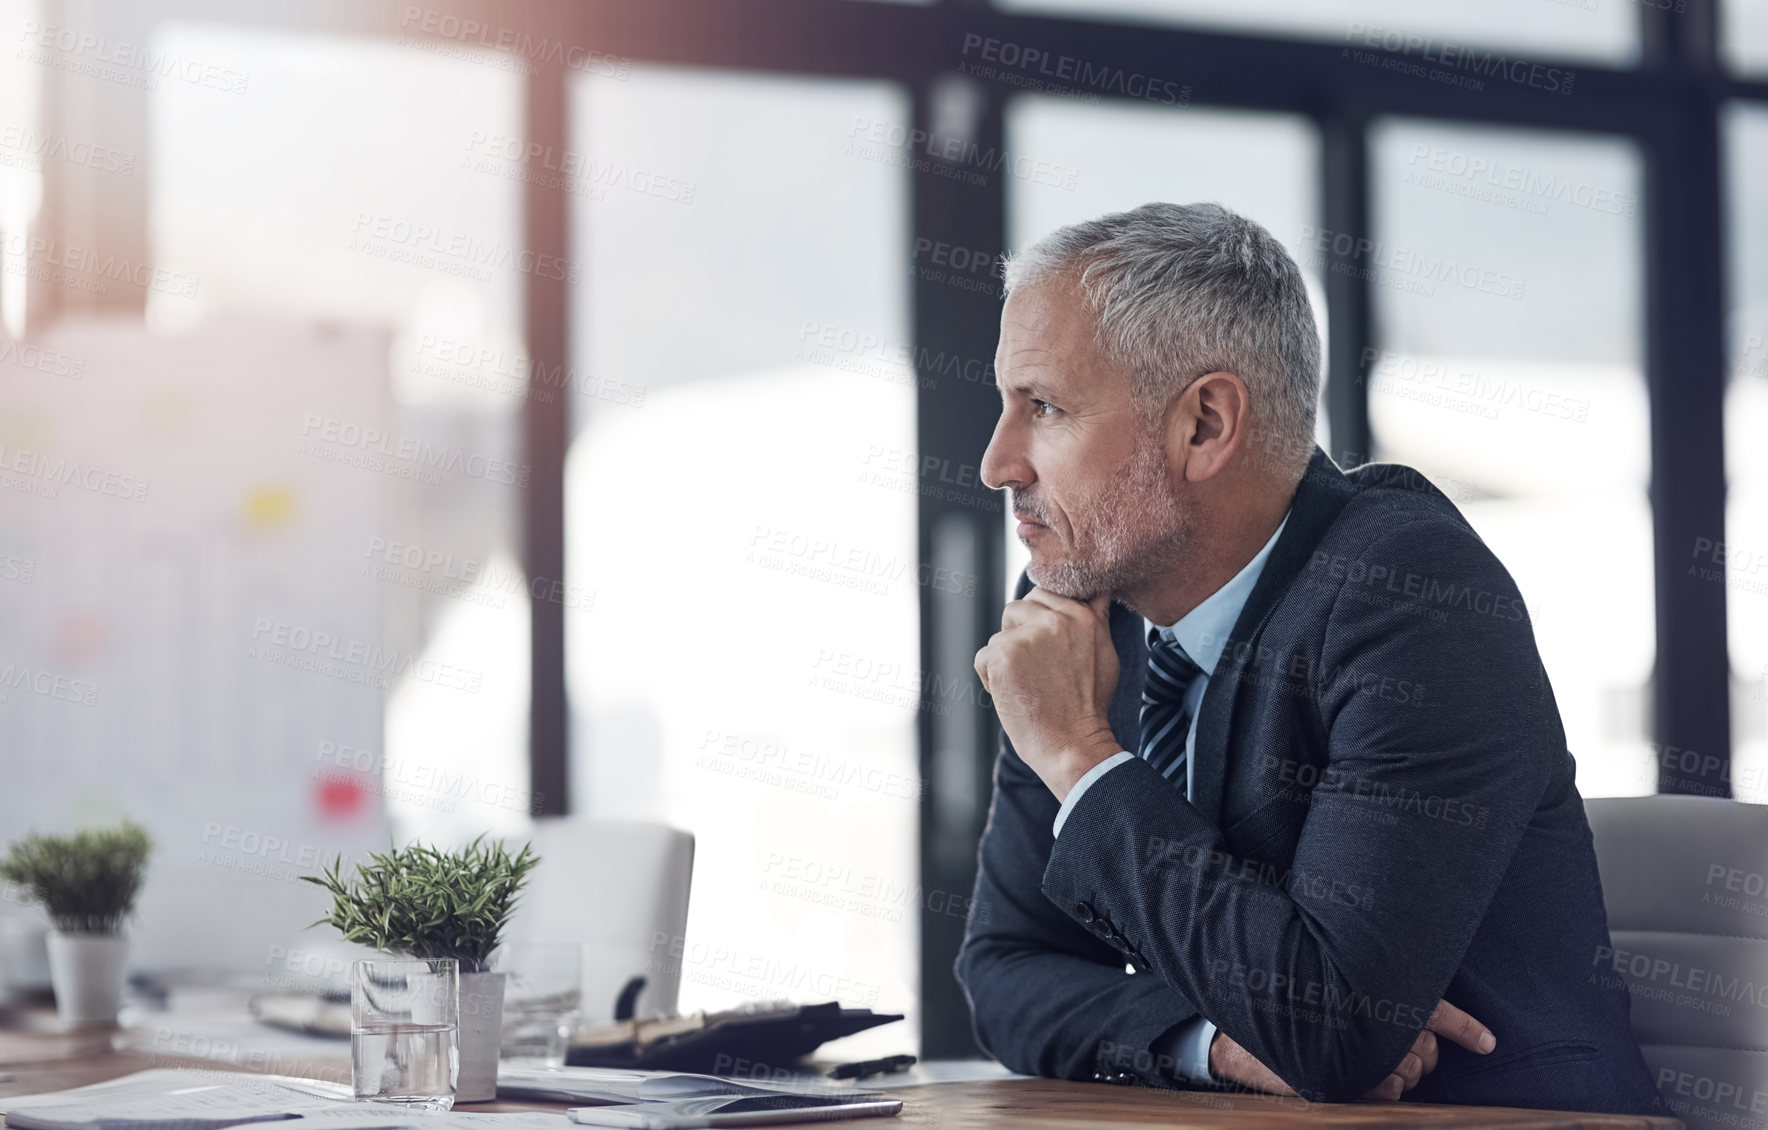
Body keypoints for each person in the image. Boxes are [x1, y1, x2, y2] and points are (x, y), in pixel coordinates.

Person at [954, 201, 1665, 1112]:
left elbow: (1335, 1032)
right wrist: (1216, 1039)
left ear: (1206, 424)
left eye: (1043, 407)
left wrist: (1079, 757)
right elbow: (1005, 973)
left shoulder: (1413, 593)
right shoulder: (1075, 608)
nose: (996, 462)